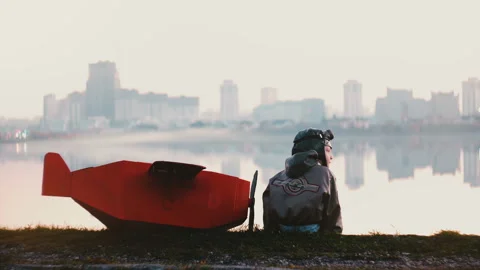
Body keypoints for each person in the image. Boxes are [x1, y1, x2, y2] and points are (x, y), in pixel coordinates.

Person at [262, 128, 343, 233]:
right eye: (328, 151)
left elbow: (268, 208)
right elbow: (332, 210)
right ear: (317, 151)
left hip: (283, 228)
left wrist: (269, 231)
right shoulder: (325, 174)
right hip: (311, 228)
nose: (331, 157)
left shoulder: (277, 177)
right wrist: (334, 232)